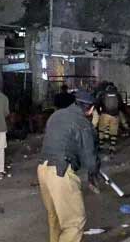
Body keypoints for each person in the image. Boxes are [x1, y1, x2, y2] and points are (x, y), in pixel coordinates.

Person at [38, 90, 99, 242]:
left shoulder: (56, 115)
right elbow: (90, 159)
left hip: (42, 169)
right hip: (61, 172)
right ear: (90, 109)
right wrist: (93, 173)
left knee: (55, 217)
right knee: (74, 222)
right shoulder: (83, 123)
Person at [95, 84, 124, 155]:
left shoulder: (103, 94)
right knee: (113, 132)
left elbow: (97, 104)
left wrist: (99, 113)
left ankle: (101, 146)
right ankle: (112, 147)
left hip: (105, 114)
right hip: (115, 116)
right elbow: (121, 105)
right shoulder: (118, 95)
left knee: (101, 130)